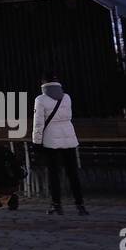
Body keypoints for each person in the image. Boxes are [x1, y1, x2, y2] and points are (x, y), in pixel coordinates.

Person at [32, 77, 87, 216]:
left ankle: (56, 204)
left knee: (53, 173)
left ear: (43, 84)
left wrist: (36, 141)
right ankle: (80, 204)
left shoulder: (40, 99)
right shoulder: (66, 97)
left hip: (51, 139)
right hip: (69, 137)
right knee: (72, 173)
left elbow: (38, 123)